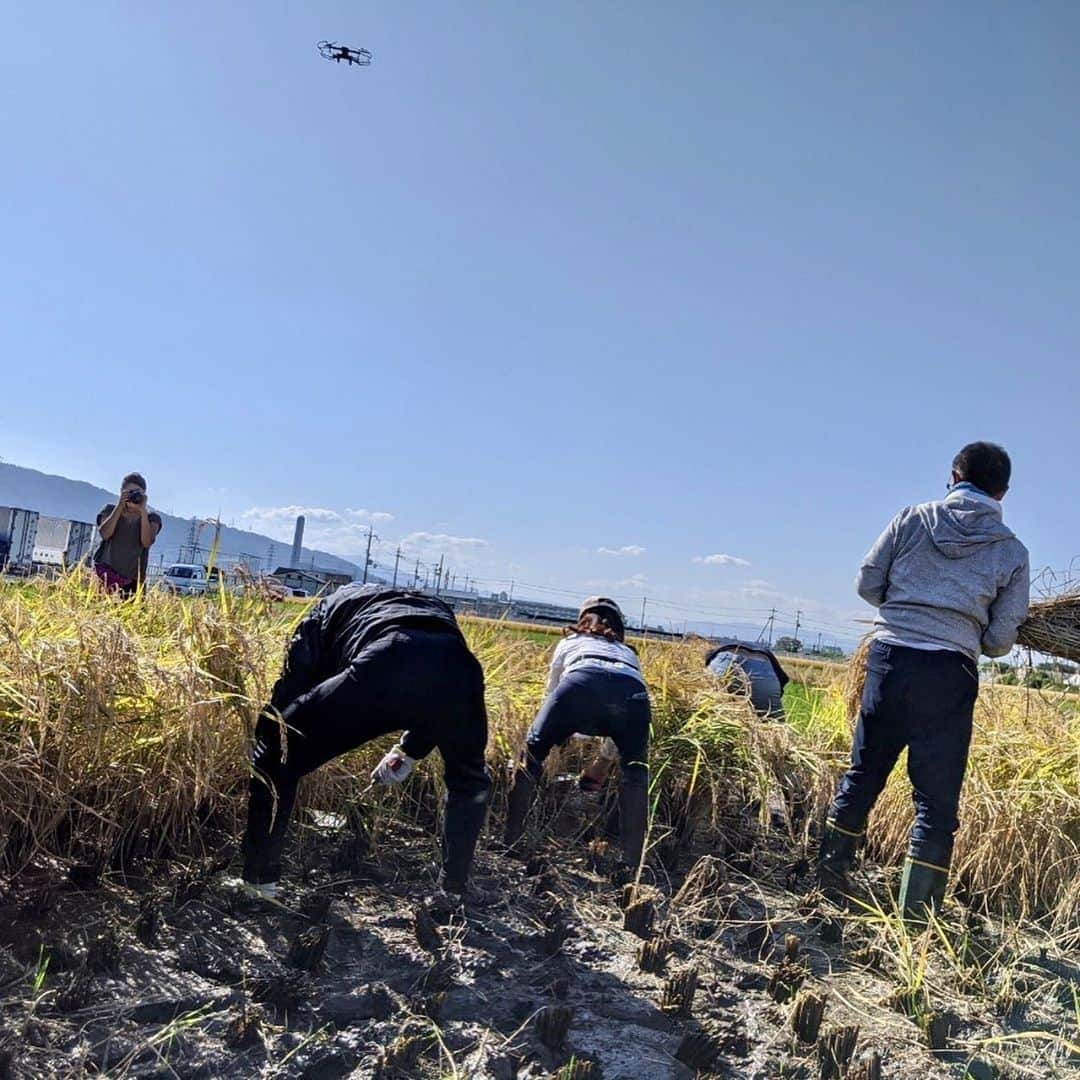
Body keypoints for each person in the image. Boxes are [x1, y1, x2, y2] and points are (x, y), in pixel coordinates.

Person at [819, 442, 1029, 919]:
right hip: (948, 674)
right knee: (935, 802)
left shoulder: (911, 519)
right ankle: (915, 921)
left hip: (890, 660)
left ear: (953, 477)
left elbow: (867, 584)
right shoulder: (1012, 551)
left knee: (864, 772)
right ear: (1003, 492)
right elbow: (999, 641)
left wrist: (909, 604)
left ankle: (827, 883)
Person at [241, 584, 490, 901]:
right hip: (461, 669)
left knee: (275, 758)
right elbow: (438, 680)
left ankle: (258, 882)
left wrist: (267, 734)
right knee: (469, 781)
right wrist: (408, 753)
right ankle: (452, 889)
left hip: (383, 661)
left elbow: (293, 688)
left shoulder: (324, 610)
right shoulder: (429, 606)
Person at [505, 597, 652, 871]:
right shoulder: (628, 652)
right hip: (633, 697)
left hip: (580, 683)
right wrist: (602, 763)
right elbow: (616, 712)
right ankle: (632, 865)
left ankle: (512, 842)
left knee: (531, 755)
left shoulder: (570, 642)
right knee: (635, 772)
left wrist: (555, 736)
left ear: (583, 619)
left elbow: (553, 694)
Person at [94, 472, 162, 596]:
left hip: (133, 581)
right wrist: (120, 506)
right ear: (122, 492)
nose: (133, 496)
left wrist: (142, 510)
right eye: (129, 492)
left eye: (137, 493)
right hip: (105, 574)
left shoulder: (152, 518)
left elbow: (146, 542)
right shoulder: (110, 510)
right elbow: (105, 534)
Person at [704, 641, 789, 719]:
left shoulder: (717, 656)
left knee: (712, 712)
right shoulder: (768, 656)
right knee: (775, 721)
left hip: (725, 660)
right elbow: (783, 680)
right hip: (763, 665)